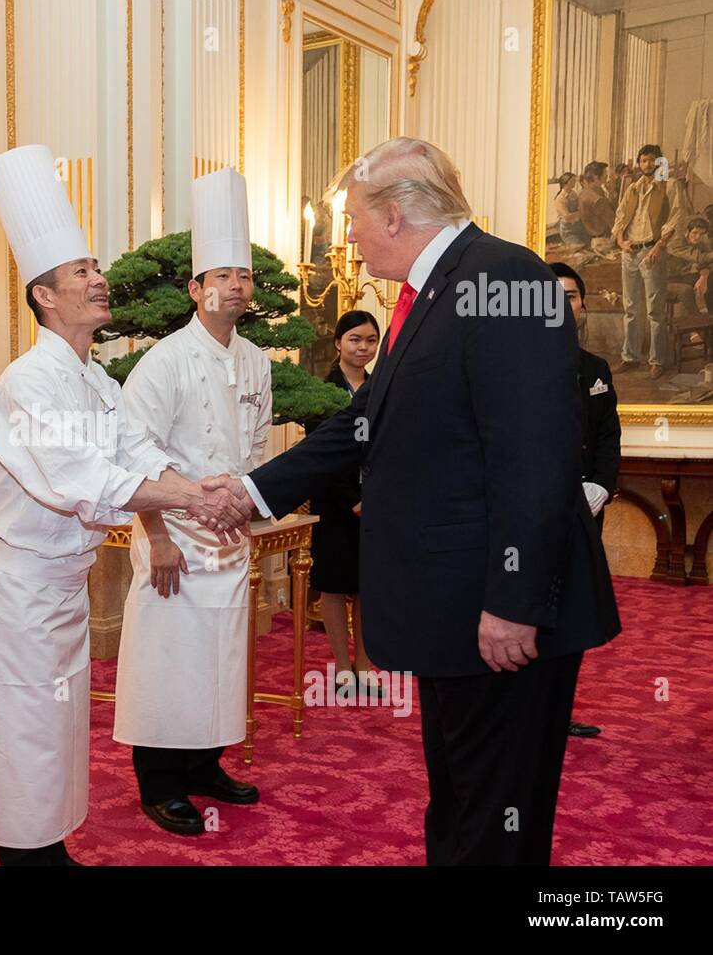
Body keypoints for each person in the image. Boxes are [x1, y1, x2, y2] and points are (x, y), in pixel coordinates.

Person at [206, 137, 620, 865]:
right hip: (454, 609)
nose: (351, 240)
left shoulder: (505, 279)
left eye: (354, 220)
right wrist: (252, 490)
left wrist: (515, 602)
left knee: (496, 816)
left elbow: (534, 459)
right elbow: (364, 422)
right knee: (459, 798)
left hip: (500, 614)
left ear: (394, 215)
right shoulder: (430, 293)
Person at [0, 144, 252, 865]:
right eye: (82, 272)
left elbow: (140, 455)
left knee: (59, 735)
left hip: (64, 588)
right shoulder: (28, 383)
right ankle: (27, 858)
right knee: (25, 737)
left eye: (96, 268)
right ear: (45, 296)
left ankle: (50, 850)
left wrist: (199, 490)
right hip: (19, 591)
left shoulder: (98, 382)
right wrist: (201, 497)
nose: (100, 280)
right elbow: (88, 480)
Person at [112, 169, 272, 836]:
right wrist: (158, 536)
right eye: (222, 275)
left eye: (244, 275)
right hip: (174, 536)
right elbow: (135, 456)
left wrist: (248, 510)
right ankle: (159, 782)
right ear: (195, 288)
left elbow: (257, 447)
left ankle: (206, 764)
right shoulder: (164, 361)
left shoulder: (258, 360)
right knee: (168, 660)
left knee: (220, 657)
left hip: (230, 537)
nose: (235, 286)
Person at [550, 261, 621, 740]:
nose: (561, 303)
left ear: (583, 305)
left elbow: (609, 435)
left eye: (571, 296)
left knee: (573, 614)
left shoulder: (596, 369)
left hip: (586, 509)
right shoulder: (512, 364)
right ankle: (524, 712)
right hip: (531, 515)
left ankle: (558, 712)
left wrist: (601, 485)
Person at [304, 310, 381, 695]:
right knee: (334, 585)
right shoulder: (324, 390)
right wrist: (352, 500)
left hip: (376, 502)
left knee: (368, 586)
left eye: (370, 340)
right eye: (355, 339)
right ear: (338, 343)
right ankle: (342, 667)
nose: (363, 347)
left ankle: (364, 664)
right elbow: (320, 454)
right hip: (335, 502)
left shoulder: (382, 387)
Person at [611, 145, 685, 379]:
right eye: (643, 161)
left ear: (659, 162)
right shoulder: (633, 188)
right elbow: (620, 217)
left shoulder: (670, 185)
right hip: (630, 252)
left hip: (653, 252)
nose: (647, 164)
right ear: (639, 163)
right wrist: (621, 241)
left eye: (652, 160)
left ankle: (657, 361)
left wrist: (659, 246)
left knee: (655, 310)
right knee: (631, 308)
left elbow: (676, 217)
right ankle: (630, 357)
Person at [665, 216, 713, 316]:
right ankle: (694, 322)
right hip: (667, 280)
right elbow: (700, 258)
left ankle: (708, 316)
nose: (697, 237)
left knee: (710, 279)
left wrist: (704, 277)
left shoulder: (701, 244)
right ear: (687, 232)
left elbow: (708, 263)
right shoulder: (676, 244)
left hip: (685, 277)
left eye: (701, 234)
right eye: (695, 233)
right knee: (686, 290)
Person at [578, 162, 616, 245]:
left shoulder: (584, 192)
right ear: (595, 176)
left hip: (591, 238)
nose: (607, 176)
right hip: (602, 241)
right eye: (605, 173)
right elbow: (613, 221)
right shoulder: (597, 199)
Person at [554, 173, 590, 249]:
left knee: (588, 244)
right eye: (572, 181)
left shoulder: (574, 193)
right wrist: (581, 212)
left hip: (579, 226)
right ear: (564, 183)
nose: (574, 183)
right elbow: (567, 216)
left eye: (574, 181)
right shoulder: (560, 198)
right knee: (579, 247)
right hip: (568, 230)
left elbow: (580, 206)